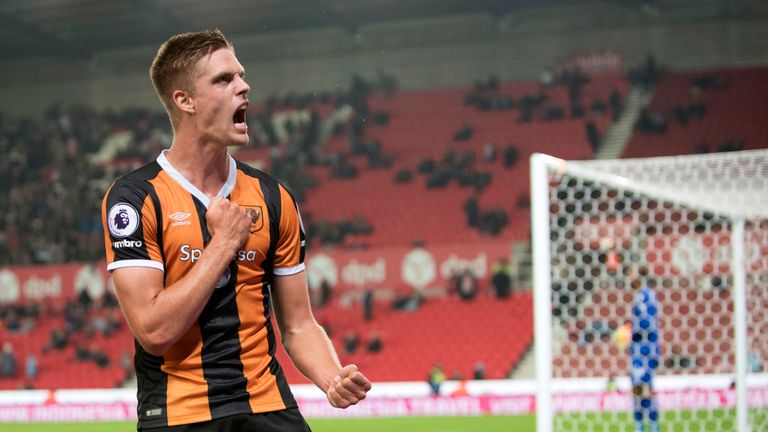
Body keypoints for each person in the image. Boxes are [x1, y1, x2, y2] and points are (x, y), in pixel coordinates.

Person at [101, 29, 370, 431]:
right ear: (184, 100)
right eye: (223, 80)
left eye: (241, 76)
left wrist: (331, 376)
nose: (244, 87)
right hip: (179, 415)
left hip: (269, 408)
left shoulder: (273, 196)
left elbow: (298, 325)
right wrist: (222, 243)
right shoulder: (134, 199)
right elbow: (154, 330)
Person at [628, 267, 660, 432]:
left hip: (646, 350)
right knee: (638, 389)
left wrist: (630, 332)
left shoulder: (646, 297)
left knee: (644, 389)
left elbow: (648, 325)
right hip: (639, 350)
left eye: (631, 275)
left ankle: (652, 426)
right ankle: (641, 425)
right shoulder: (639, 297)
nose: (629, 279)